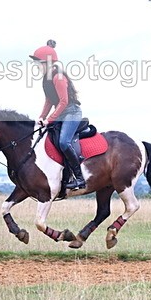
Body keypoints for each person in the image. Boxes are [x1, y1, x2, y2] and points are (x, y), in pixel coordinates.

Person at [29, 39, 86, 190]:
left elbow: (63, 102)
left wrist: (49, 119)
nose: (37, 66)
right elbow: (49, 100)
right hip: (61, 114)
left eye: (39, 63)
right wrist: (41, 117)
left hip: (71, 113)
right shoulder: (46, 79)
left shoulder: (58, 77)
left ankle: (80, 179)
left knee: (63, 142)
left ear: (48, 63)